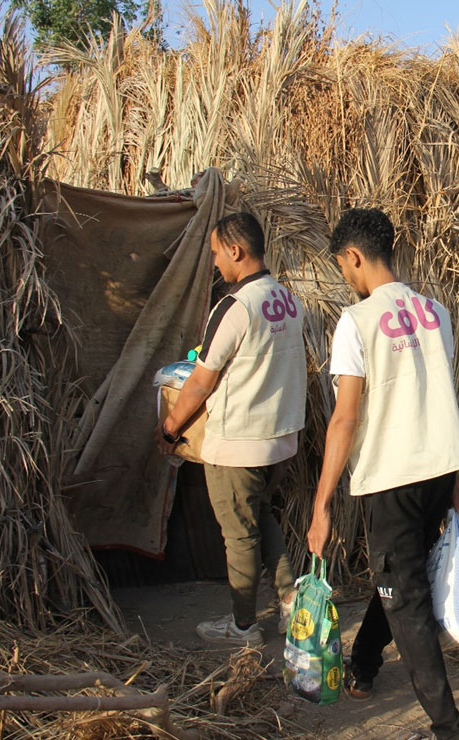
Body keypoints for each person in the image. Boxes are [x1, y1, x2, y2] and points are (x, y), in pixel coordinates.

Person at [307, 208, 459, 740]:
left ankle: (449, 729)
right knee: (400, 578)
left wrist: (323, 501)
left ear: (353, 257)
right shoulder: (436, 313)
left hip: (393, 479)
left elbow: (346, 417)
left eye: (343, 267)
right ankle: (366, 665)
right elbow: (445, 397)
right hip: (439, 471)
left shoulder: (356, 322)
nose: (345, 277)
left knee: (409, 600)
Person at [157, 211, 307, 647]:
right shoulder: (287, 299)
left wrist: (170, 428)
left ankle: (243, 628)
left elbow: (202, 379)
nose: (215, 264)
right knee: (262, 516)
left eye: (217, 254)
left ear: (237, 252)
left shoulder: (234, 306)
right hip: (279, 441)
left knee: (239, 534)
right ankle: (290, 603)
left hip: (238, 443)